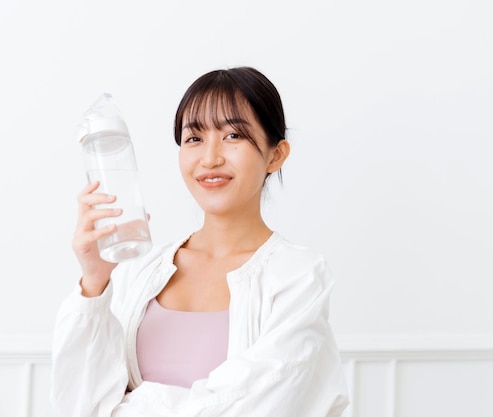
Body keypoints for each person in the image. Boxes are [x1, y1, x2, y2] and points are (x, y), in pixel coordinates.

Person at [50, 66, 349, 417]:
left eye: (234, 135)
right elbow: (78, 406)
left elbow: (253, 409)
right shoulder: (138, 272)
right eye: (194, 138)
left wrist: (129, 405)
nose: (210, 158)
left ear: (276, 154)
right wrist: (95, 283)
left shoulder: (298, 277)